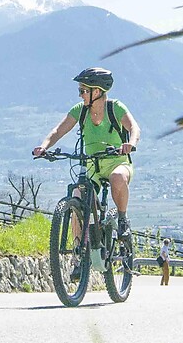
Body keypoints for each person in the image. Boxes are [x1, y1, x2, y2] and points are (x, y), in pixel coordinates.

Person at [31, 66, 139, 236]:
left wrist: (130, 143)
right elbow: (58, 131)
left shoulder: (115, 108)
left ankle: (122, 218)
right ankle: (78, 252)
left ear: (96, 91)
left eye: (83, 90)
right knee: (78, 196)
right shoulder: (80, 110)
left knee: (118, 178)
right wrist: (44, 146)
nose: (80, 95)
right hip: (91, 167)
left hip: (117, 162)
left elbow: (134, 128)